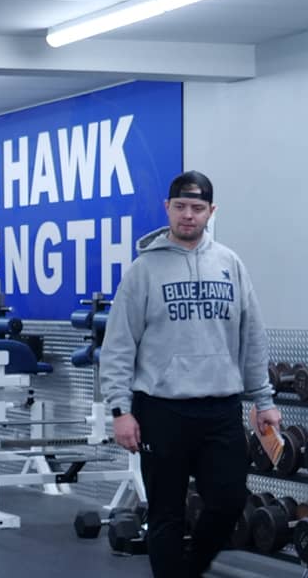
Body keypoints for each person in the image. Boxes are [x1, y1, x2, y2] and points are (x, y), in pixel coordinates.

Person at [98, 171, 277, 578]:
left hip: (220, 409)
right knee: (165, 514)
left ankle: (190, 571)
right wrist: (119, 409)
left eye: (198, 208)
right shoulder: (143, 271)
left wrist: (264, 400)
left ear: (211, 212)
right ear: (168, 208)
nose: (189, 216)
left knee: (229, 502)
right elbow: (119, 345)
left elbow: (252, 336)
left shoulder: (229, 264)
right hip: (161, 411)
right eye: (181, 207)